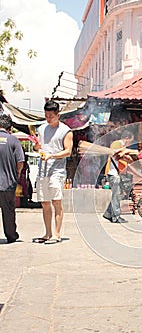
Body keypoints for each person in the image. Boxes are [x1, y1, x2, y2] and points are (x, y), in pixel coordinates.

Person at [33, 100, 73, 243]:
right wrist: (37, 146)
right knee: (44, 202)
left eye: (51, 115)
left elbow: (68, 151)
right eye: (46, 115)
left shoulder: (66, 131)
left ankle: (57, 233)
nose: (48, 118)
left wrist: (52, 155)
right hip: (42, 170)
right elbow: (37, 147)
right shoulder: (42, 128)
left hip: (57, 170)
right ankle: (47, 233)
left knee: (56, 201)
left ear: (58, 115)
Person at [103, 130, 137, 223]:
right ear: (126, 139)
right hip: (113, 174)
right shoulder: (117, 144)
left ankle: (108, 213)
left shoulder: (122, 148)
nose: (130, 143)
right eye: (130, 141)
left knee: (116, 195)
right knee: (116, 196)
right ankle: (116, 217)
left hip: (117, 174)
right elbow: (116, 155)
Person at [0, 113, 24, 243]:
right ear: (10, 128)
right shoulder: (14, 140)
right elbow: (20, 161)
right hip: (8, 183)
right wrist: (17, 173)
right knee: (8, 211)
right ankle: (11, 235)